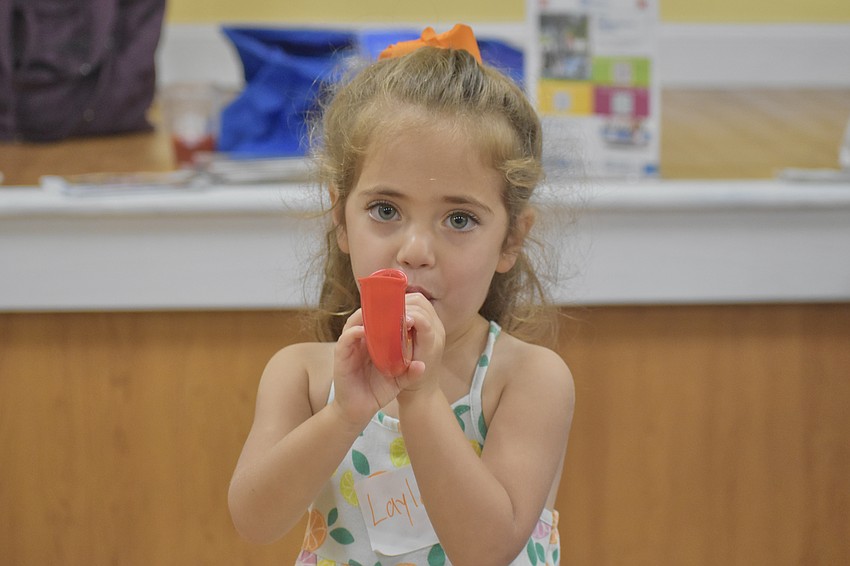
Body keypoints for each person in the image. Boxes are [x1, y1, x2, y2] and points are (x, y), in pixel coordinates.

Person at [228, 24, 575, 566]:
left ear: (511, 239)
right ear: (341, 217)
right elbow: (254, 520)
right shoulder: (302, 376)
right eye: (386, 210)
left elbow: (487, 549)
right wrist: (344, 415)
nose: (415, 250)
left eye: (459, 219)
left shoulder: (528, 379)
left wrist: (419, 398)